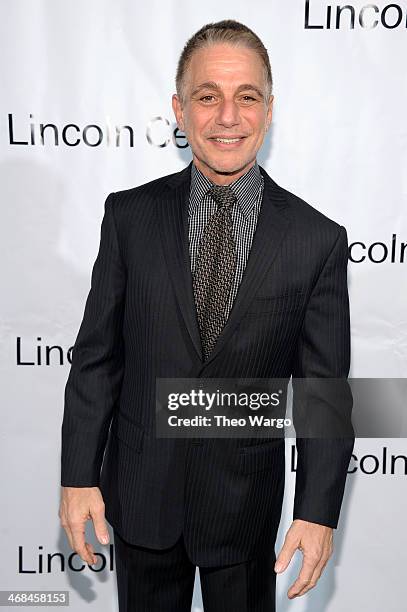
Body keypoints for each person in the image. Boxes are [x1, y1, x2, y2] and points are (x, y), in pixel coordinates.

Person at [59, 19, 354, 612]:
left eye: (247, 97)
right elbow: (97, 359)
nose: (228, 116)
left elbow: (324, 391)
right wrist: (77, 475)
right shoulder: (129, 218)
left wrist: (316, 513)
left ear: (269, 111)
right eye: (207, 96)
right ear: (179, 108)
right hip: (142, 498)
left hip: (245, 511)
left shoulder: (315, 239)